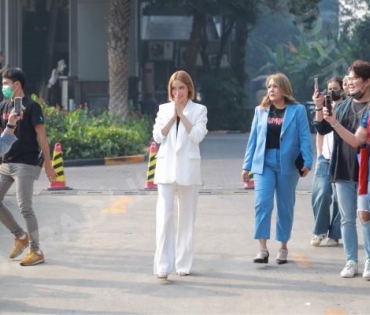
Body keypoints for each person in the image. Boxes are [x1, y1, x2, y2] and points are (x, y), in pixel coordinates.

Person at [241, 72, 312, 265]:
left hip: (288, 164)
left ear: (284, 89)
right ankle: (262, 249)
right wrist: (246, 165)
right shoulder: (261, 110)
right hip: (264, 163)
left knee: (285, 206)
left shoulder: (297, 111)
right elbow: (253, 140)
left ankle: (283, 247)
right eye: (269, 86)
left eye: (275, 86)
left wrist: (307, 161)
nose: (271, 90)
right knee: (262, 204)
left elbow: (305, 136)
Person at [313, 59, 370, 278]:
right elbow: (321, 127)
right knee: (346, 219)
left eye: (355, 78)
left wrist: (335, 123)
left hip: (366, 172)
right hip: (343, 169)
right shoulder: (344, 105)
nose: (350, 83)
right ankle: (351, 261)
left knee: (366, 218)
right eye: (349, 78)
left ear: (366, 82)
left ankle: (368, 261)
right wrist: (319, 106)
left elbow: (359, 141)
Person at [152, 70, 208, 281]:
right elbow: (157, 136)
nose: (178, 92)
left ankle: (183, 263)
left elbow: (197, 136)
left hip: (188, 169)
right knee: (164, 217)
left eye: (181, 88)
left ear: (189, 89)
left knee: (186, 218)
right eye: (174, 88)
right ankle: (162, 265)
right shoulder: (163, 109)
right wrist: (172, 117)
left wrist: (182, 116)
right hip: (166, 169)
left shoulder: (199, 110)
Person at [0, 67, 57, 266]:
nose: (3, 87)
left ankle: (36, 250)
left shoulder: (32, 106)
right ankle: (20, 236)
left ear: (16, 84)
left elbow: (42, 135)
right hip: (6, 163)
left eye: (6, 83)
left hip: (26, 162)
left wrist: (48, 164)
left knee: (25, 207)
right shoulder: (3, 106)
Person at [310, 77, 345, 247]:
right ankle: (319, 231)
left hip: (344, 158)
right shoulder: (323, 107)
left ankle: (335, 233)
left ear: (343, 90)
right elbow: (320, 129)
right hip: (325, 157)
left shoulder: (347, 107)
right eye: (329, 88)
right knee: (322, 193)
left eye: (335, 88)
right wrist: (319, 154)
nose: (332, 92)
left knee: (340, 197)